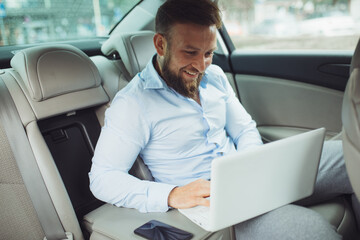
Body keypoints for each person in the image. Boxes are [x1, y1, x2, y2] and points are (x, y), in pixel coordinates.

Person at [89, 0, 357, 239]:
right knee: (313, 233)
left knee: (353, 153)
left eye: (208, 53)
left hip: (256, 174)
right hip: (220, 204)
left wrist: (255, 162)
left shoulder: (214, 76)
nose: (201, 66)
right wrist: (172, 194)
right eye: (190, 52)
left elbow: (244, 129)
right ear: (161, 44)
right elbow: (102, 178)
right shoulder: (133, 103)